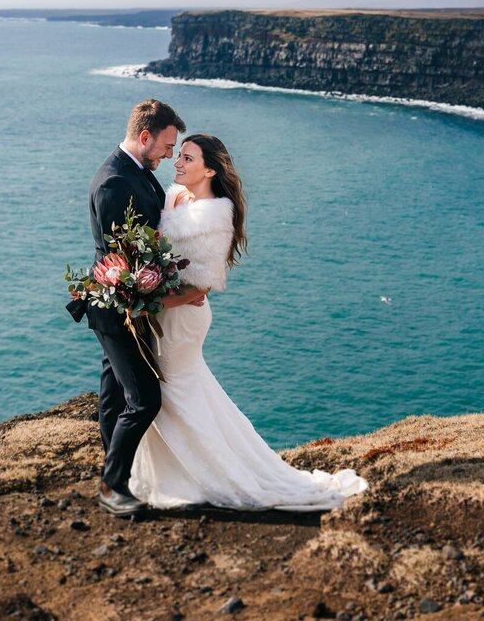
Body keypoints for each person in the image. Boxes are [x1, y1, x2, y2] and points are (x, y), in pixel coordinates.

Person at [128, 133, 367, 511]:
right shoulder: (174, 196)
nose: (178, 162)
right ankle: (178, 474)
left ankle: (214, 475)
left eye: (188, 159)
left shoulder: (216, 216)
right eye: (181, 156)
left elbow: (201, 287)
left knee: (174, 392)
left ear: (209, 170)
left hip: (183, 317)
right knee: (183, 392)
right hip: (163, 312)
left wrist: (148, 304)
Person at [69, 98, 195, 517]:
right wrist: (162, 294)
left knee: (113, 397)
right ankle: (112, 487)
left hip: (126, 306)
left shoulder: (136, 172)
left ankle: (116, 472)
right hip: (116, 306)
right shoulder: (113, 182)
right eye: (166, 146)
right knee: (144, 398)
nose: (170, 155)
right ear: (144, 137)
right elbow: (119, 259)